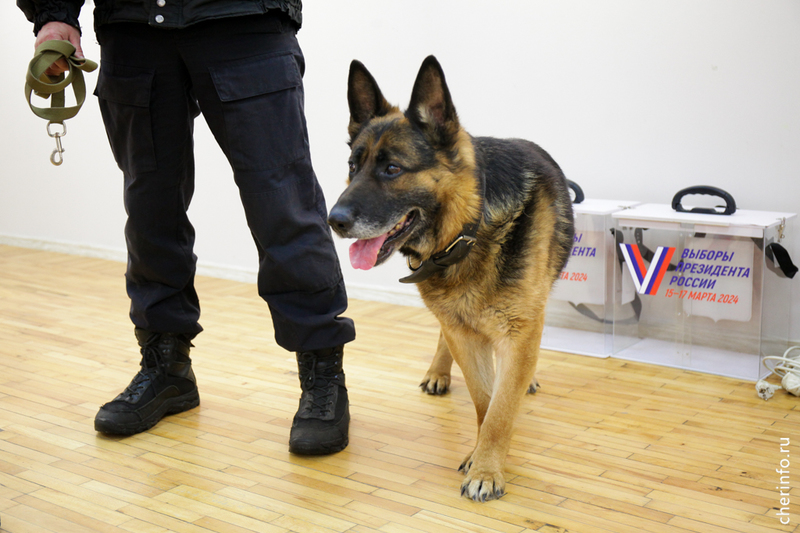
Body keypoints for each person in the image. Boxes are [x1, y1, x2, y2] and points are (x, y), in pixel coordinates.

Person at [18, 0, 356, 456]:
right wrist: (54, 13)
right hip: (133, 27)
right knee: (150, 210)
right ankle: (167, 368)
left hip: (241, 19)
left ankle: (323, 374)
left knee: (283, 205)